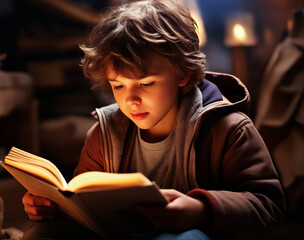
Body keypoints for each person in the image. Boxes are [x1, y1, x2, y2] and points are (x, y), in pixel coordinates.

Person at [22, 0, 285, 239]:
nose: (130, 100)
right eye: (118, 85)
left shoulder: (227, 129)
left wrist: (202, 209)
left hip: (197, 233)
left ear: (181, 74)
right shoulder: (103, 134)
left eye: (146, 83)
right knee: (40, 234)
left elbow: (269, 206)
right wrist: (53, 208)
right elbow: (84, 204)